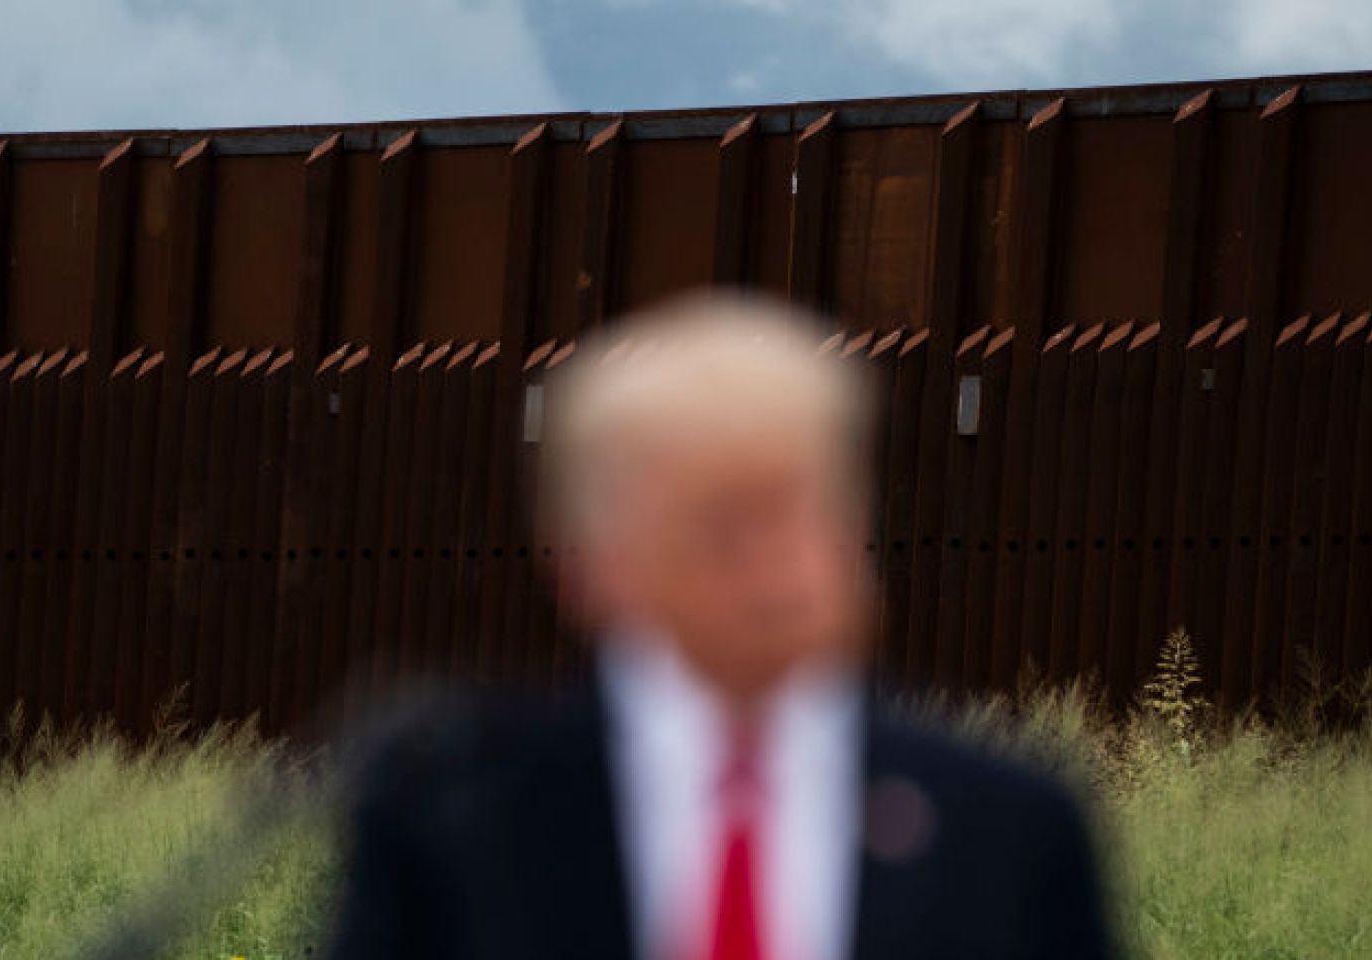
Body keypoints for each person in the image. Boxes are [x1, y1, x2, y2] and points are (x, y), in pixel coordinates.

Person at [324, 291, 1113, 960]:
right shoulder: (456, 822)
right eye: (726, 524)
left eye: (808, 508)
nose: (783, 562)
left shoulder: (1007, 827)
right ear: (595, 564)